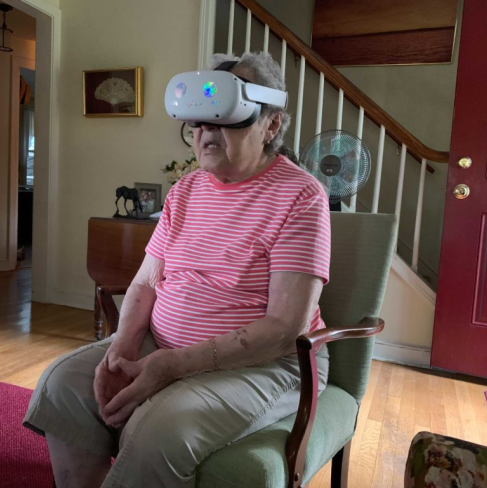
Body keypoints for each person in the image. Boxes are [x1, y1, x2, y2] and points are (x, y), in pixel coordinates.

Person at [23, 51, 331, 488]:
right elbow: (147, 281)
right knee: (62, 383)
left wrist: (173, 366)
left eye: (225, 119)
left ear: (271, 125)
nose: (206, 134)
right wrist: (125, 344)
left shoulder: (301, 197)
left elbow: (285, 327)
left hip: (265, 364)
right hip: (161, 343)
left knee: (159, 433)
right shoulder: (186, 189)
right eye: (199, 123)